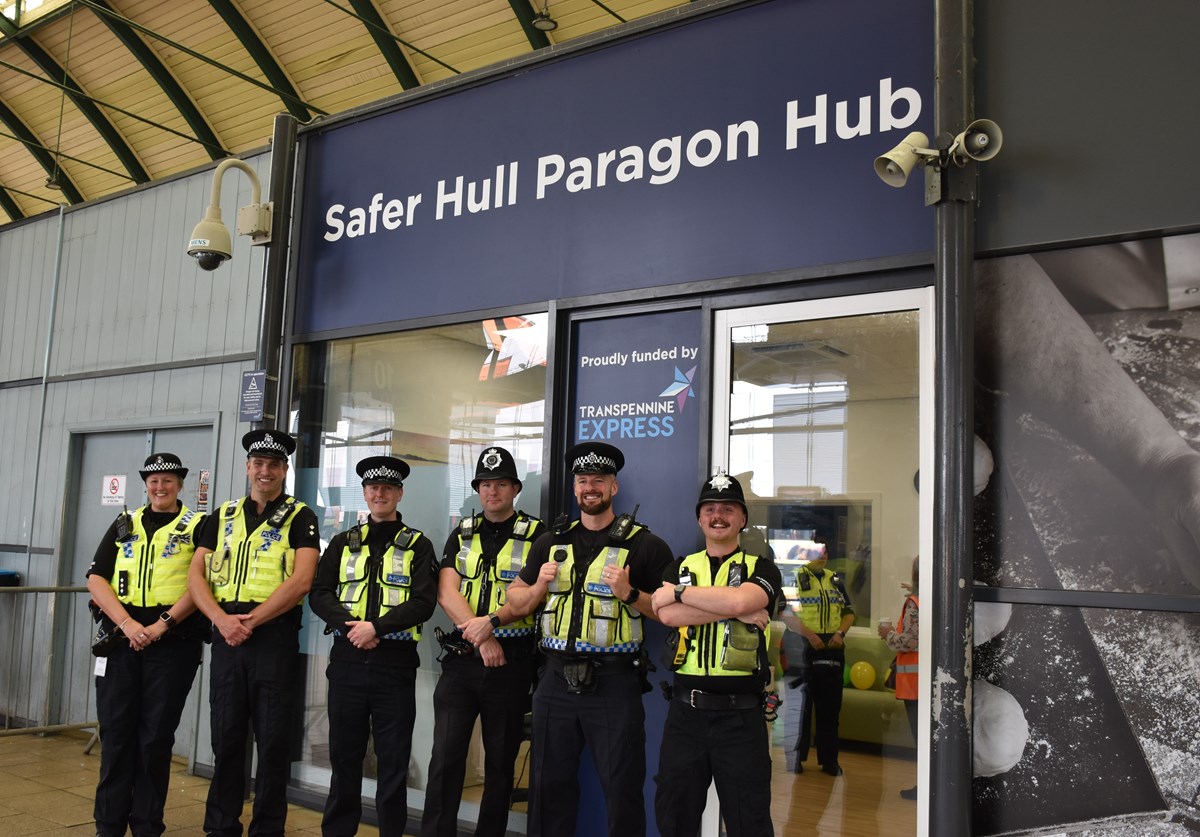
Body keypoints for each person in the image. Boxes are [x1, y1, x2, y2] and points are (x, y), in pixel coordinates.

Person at [497, 441, 673, 837]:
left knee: (622, 789)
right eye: (582, 480)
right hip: (554, 680)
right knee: (548, 786)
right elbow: (515, 600)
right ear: (574, 489)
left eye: (598, 480)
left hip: (614, 683)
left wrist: (631, 593)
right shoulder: (550, 541)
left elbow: (672, 612)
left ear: (613, 487)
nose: (589, 487)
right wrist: (539, 585)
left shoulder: (645, 545)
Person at [186, 429, 321, 837]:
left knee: (273, 741)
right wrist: (221, 620)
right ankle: (221, 826)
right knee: (226, 739)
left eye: (274, 465)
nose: (266, 471)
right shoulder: (221, 516)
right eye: (258, 463)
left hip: (272, 640)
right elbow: (196, 576)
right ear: (248, 467)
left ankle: (267, 828)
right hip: (227, 637)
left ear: (285, 470)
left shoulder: (302, 517)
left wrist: (252, 621)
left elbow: (302, 581)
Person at [308, 454, 437, 837]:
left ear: (399, 493)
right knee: (344, 760)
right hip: (347, 663)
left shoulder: (419, 545)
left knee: (393, 763)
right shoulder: (344, 543)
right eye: (372, 488)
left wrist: (375, 628)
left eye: (387, 488)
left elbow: (423, 602)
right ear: (364, 493)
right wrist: (352, 627)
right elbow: (319, 592)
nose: (379, 494)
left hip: (393, 668)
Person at [650, 471, 782, 837]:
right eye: (710, 508)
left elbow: (742, 598)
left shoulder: (763, 569)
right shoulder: (680, 567)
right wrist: (735, 608)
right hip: (685, 717)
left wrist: (677, 594)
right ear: (699, 518)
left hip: (741, 720)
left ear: (742, 518)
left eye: (728, 508)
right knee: (674, 818)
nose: (718, 515)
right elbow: (668, 615)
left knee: (749, 822)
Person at [421, 447, 544, 837]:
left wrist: (491, 629)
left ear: (515, 489)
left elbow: (535, 596)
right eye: (486, 484)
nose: (493, 491)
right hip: (462, 662)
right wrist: (481, 637)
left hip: (511, 663)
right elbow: (446, 591)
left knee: (500, 766)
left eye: (501, 484)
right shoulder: (463, 532)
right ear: (478, 489)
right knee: (445, 759)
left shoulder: (538, 536)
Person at [86, 452, 207, 837]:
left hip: (172, 644)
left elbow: (201, 584)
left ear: (180, 484)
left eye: (168, 480)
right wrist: (127, 623)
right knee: (117, 735)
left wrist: (159, 626)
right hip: (123, 642)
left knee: (154, 740)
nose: (160, 487)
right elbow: (96, 578)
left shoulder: (198, 526)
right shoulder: (125, 523)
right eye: (154, 481)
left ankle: (147, 826)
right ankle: (108, 826)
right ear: (145, 484)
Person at [780, 535, 854, 776]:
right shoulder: (794, 578)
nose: (823, 556)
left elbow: (849, 613)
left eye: (825, 552)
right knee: (799, 708)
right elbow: (785, 614)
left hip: (832, 647)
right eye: (817, 552)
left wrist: (841, 633)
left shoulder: (835, 580)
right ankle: (795, 759)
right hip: (801, 646)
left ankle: (829, 760)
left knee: (831, 708)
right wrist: (810, 635)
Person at [880, 555, 920, 800]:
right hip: (927, 684)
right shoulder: (934, 597)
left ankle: (925, 788)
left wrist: (887, 634)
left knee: (921, 739)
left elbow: (908, 641)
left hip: (915, 686)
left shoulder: (915, 603)